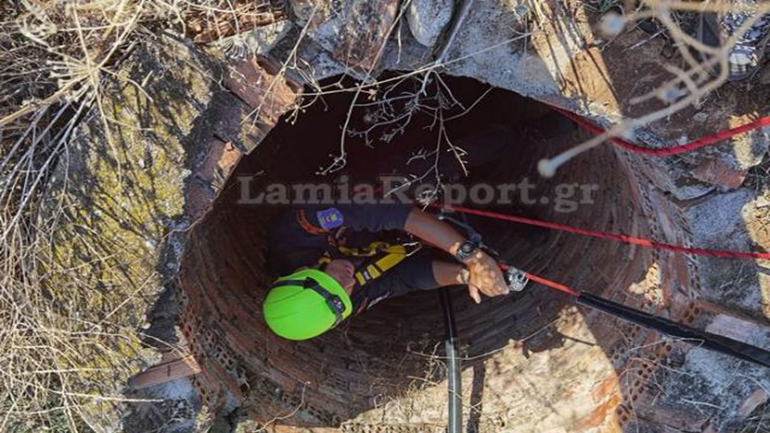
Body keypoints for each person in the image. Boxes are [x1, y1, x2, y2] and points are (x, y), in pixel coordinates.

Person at [263, 203, 509, 340]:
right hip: (400, 239)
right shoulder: (337, 304)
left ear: (304, 273)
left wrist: (473, 257)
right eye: (345, 292)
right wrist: (464, 275)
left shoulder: (294, 234)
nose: (348, 281)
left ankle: (522, 134)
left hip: (381, 195)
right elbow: (403, 279)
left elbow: (386, 212)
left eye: (333, 279)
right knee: (505, 231)